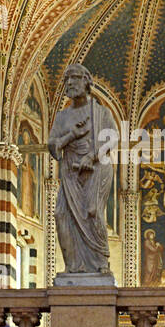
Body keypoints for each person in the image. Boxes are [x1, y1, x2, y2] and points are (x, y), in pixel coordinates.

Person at [48, 63, 116, 278]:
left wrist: (93, 156)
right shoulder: (62, 117)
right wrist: (71, 136)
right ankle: (74, 268)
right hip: (70, 171)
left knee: (93, 210)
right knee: (61, 214)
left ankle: (100, 263)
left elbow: (113, 137)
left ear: (87, 81)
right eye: (67, 80)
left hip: (97, 168)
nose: (70, 83)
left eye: (75, 78)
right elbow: (53, 145)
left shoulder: (101, 112)